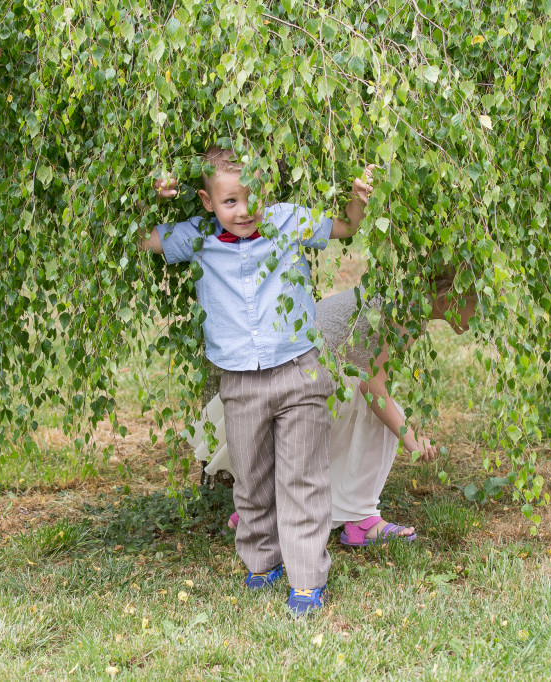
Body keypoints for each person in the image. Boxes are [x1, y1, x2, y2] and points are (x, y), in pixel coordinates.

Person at [138, 146, 376, 616]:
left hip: (300, 372)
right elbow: (143, 241)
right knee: (251, 478)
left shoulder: (286, 220)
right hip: (241, 382)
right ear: (207, 202)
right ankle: (262, 563)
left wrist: (358, 199)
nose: (244, 210)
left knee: (302, 478)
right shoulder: (200, 235)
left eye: (252, 197)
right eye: (230, 202)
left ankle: (306, 580)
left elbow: (347, 228)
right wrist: (148, 197)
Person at [188, 274, 477, 546]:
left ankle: (265, 508)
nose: (479, 319)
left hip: (286, 377)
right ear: (447, 300)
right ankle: (360, 518)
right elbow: (372, 385)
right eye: (476, 309)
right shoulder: (409, 312)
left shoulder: (402, 297)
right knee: (381, 416)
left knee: (354, 401)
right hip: (299, 382)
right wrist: (409, 436)